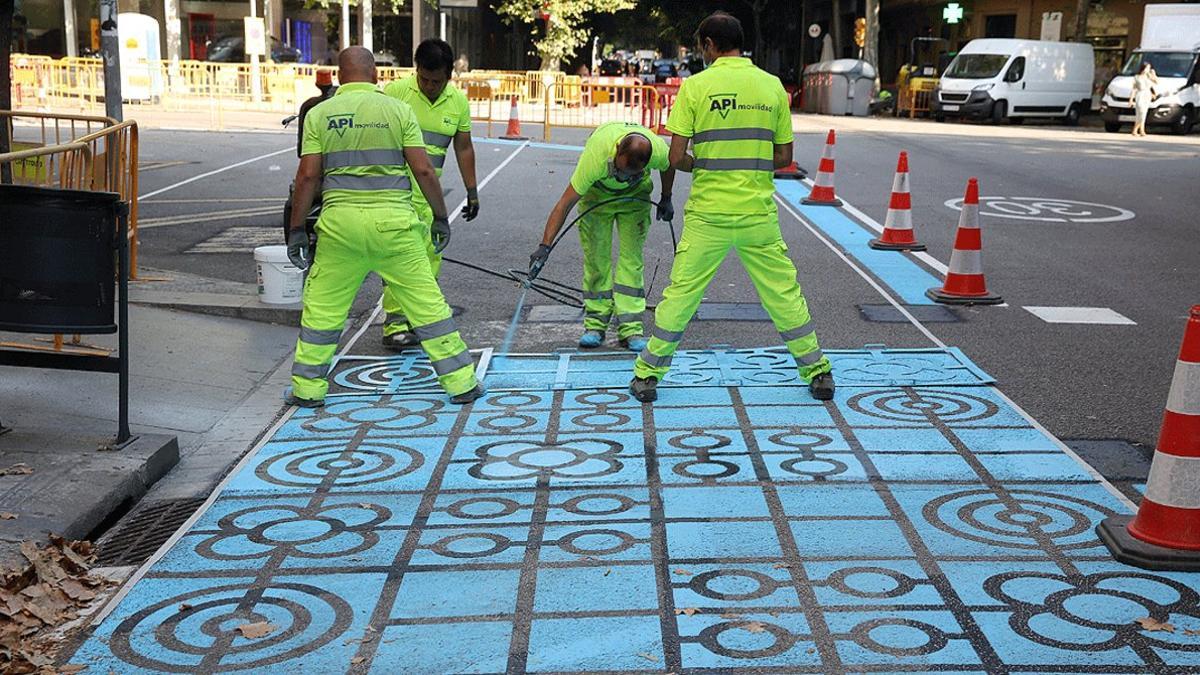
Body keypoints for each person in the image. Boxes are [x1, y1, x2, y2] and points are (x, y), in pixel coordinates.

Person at [627, 11, 834, 403]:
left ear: (708, 45)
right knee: (783, 292)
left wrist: (704, 160)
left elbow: (674, 157)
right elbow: (783, 156)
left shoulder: (696, 87)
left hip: (709, 216)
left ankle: (648, 374)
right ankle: (817, 371)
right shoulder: (772, 86)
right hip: (758, 214)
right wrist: (748, 159)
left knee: (681, 294)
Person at [285, 46, 483, 407]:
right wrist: (440, 217)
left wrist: (298, 228)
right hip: (395, 226)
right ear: (376, 75)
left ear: (341, 76)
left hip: (340, 228)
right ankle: (461, 382)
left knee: (324, 307)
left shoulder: (320, 114)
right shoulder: (398, 109)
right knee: (427, 303)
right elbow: (423, 170)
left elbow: (307, 175)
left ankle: (308, 389)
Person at [528, 122, 675, 351]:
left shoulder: (657, 148)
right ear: (617, 150)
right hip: (597, 200)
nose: (622, 178)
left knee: (631, 260)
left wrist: (666, 196)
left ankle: (631, 327)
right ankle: (595, 324)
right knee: (597, 260)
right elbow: (564, 204)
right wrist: (544, 247)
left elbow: (670, 164)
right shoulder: (596, 156)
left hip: (635, 200)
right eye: (620, 170)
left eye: (630, 174)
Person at [379, 38, 481, 349]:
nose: (429, 86)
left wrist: (472, 191)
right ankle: (395, 323)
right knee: (400, 258)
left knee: (430, 258)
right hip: (395, 192)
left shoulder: (457, 103)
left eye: (436, 81)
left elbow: (463, 148)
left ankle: (418, 319)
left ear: (450, 76)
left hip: (429, 193)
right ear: (416, 70)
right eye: (423, 78)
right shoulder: (396, 93)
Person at [295, 68, 336, 156]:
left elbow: (302, 139)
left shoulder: (308, 105)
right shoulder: (338, 103)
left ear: (317, 84)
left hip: (314, 154)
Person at [1130, 62, 1158, 137]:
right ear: (1143, 68)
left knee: (1144, 113)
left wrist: (1153, 74)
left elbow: (1156, 82)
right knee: (1140, 112)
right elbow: (1134, 89)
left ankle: (1141, 130)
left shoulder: (1149, 77)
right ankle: (1135, 129)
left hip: (1147, 95)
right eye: (1147, 68)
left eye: (1149, 68)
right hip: (1140, 94)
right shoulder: (1137, 77)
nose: (1148, 70)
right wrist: (1131, 99)